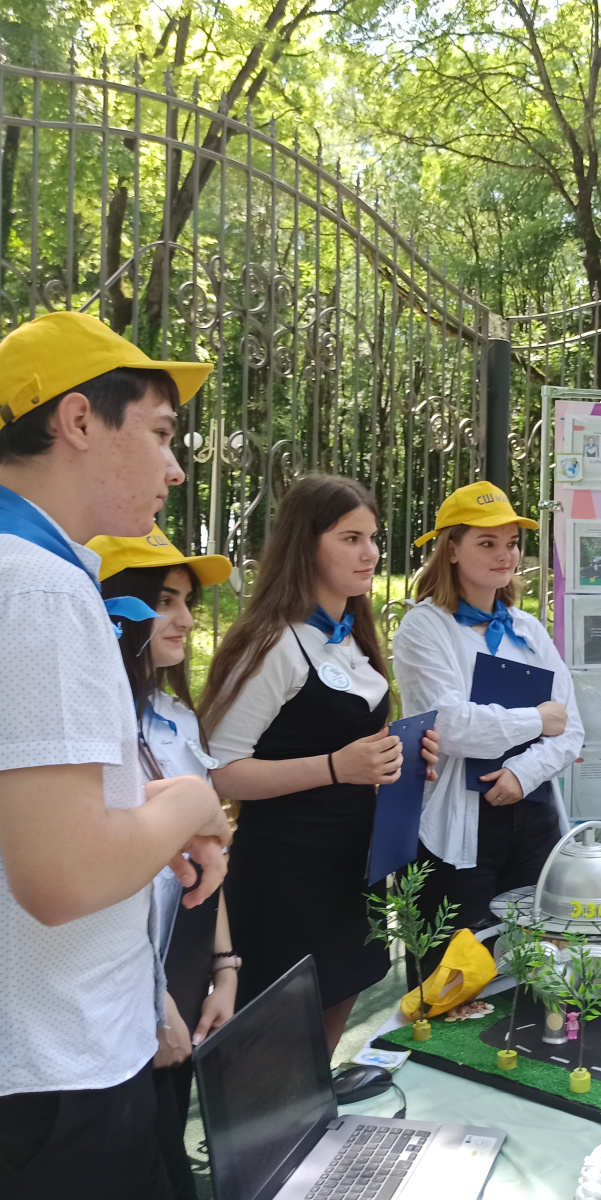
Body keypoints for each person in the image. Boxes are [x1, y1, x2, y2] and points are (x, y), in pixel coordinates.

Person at [0, 312, 232, 1200]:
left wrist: (141, 821)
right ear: (79, 420)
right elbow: (60, 876)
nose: (176, 467)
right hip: (61, 1075)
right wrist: (191, 806)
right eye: (163, 433)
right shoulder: (43, 589)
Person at [200, 473, 438, 1054]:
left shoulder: (354, 638)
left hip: (351, 874)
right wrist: (337, 766)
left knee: (331, 1026)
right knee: (278, 1057)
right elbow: (218, 773)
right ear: (306, 544)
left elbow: (351, 747)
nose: (371, 553)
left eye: (373, 538)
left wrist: (399, 761)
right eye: (350, 538)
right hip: (286, 878)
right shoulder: (271, 642)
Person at [89, 527, 239, 1200]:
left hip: (181, 979)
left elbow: (210, 862)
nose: (183, 619)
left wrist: (225, 970)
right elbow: (96, 880)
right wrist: (152, 1010)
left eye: (186, 600)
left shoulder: (179, 719)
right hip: (118, 1007)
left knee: (172, 1141)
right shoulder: (90, 728)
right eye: (164, 601)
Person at [392, 481, 583, 953]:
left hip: (534, 819)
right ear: (451, 549)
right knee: (456, 978)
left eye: (512, 543)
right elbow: (452, 725)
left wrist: (522, 771)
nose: (506, 556)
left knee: (535, 967)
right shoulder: (424, 627)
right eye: (487, 542)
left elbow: (572, 728)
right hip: (456, 833)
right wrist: (537, 720)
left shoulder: (528, 629)